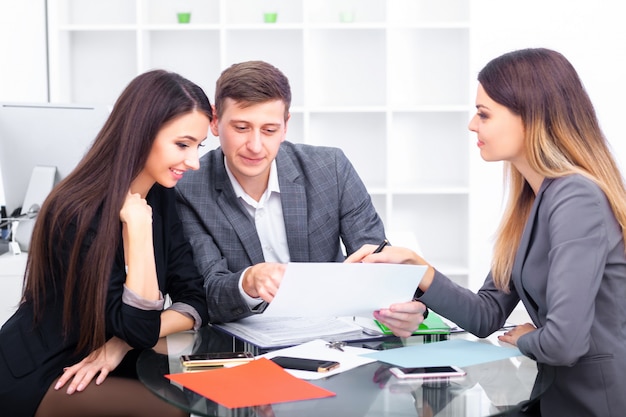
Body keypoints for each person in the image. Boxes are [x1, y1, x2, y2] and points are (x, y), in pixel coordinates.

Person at [347, 48, 626, 416]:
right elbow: (486, 314)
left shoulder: (576, 198)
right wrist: (418, 268)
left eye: (484, 114)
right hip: (551, 397)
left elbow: (564, 343)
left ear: (530, 117)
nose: (472, 125)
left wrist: (528, 338)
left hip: (592, 404)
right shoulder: (533, 200)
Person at [0, 69, 212, 417]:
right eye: (183, 144)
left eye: (198, 146)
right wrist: (139, 231)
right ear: (143, 133)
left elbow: (194, 299)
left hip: (105, 356)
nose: (194, 161)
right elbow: (142, 326)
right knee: (169, 411)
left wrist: (120, 344)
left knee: (192, 389)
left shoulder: (161, 196)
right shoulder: (76, 211)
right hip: (44, 369)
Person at [175, 60, 427, 336]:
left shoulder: (330, 168)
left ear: (285, 126)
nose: (255, 146)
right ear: (215, 121)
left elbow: (378, 261)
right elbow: (206, 293)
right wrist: (247, 282)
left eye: (269, 130)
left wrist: (408, 307)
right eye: (241, 128)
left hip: (334, 336)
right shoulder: (188, 189)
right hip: (243, 345)